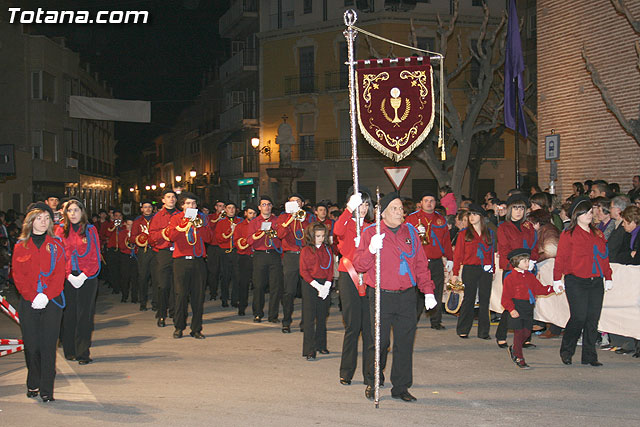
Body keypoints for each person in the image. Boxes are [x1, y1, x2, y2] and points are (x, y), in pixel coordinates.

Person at [354, 192, 436, 403]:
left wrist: (428, 291)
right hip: (381, 294)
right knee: (379, 342)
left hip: (407, 295)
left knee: (405, 342)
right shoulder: (370, 232)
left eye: (401, 208)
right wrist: (372, 249)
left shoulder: (410, 231)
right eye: (395, 208)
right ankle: (374, 381)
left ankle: (401, 386)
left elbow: (420, 263)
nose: (400, 212)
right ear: (382, 213)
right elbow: (359, 265)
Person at [12, 202, 66, 402]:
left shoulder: (56, 244)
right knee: (32, 346)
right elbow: (18, 275)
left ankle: (46, 389)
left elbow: (60, 273)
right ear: (30, 220)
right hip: (29, 301)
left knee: (48, 345)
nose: (43, 222)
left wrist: (47, 295)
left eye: (47, 218)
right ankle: (33, 380)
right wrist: (31, 296)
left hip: (52, 301)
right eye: (39, 218)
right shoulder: (20, 246)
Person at [553, 196, 613, 366]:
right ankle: (567, 350)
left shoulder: (598, 233)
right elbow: (561, 257)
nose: (589, 214)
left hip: (596, 281)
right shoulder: (568, 234)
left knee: (593, 319)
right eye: (585, 212)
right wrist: (557, 278)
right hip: (576, 280)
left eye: (590, 211)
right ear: (576, 214)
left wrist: (608, 276)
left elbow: (603, 257)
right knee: (579, 316)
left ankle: (589, 355)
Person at [334, 189, 374, 386]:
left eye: (367, 205)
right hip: (348, 275)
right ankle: (346, 371)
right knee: (352, 326)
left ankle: (370, 374)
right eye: (361, 204)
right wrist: (349, 208)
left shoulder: (371, 227)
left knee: (369, 328)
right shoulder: (347, 223)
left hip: (367, 277)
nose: (364, 209)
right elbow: (337, 231)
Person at [55, 198, 101, 365]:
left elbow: (94, 256)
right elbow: (59, 256)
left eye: (76, 210)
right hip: (67, 277)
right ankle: (70, 350)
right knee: (69, 315)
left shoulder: (90, 230)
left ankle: (83, 352)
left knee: (85, 316)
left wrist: (84, 275)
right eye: (70, 210)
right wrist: (68, 275)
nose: (73, 214)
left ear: (82, 212)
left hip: (87, 278)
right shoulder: (59, 230)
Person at [165, 192, 213, 339]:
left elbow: (209, 238)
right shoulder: (175, 219)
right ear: (182, 206)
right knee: (180, 295)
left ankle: (196, 328)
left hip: (198, 261)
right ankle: (179, 327)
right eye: (188, 203)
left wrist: (199, 226)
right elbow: (171, 237)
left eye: (193, 204)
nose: (191, 206)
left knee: (198, 297)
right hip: (181, 261)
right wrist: (185, 223)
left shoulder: (202, 219)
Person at [495, 194, 539, 348]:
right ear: (509, 210)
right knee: (512, 303)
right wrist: (518, 264)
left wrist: (532, 260)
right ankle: (501, 333)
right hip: (511, 269)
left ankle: (525, 337)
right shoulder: (503, 227)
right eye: (515, 208)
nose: (518, 211)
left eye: (521, 208)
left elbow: (534, 245)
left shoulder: (529, 227)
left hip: (528, 269)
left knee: (528, 304)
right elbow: (505, 248)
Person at [405, 192, 453, 328]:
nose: (429, 203)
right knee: (417, 293)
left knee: (436, 291)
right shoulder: (412, 219)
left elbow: (446, 241)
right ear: (421, 203)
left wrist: (450, 258)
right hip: (418, 262)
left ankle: (436, 320)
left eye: (432, 200)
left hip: (436, 260)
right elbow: (404, 239)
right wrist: (414, 231)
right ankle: (412, 320)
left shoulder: (441, 220)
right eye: (426, 200)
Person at [501, 248, 553, 369]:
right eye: (524, 261)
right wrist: (511, 309)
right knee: (519, 333)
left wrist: (553, 288)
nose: (527, 263)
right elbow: (505, 298)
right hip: (517, 307)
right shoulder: (510, 277)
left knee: (527, 332)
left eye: (528, 260)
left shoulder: (530, 276)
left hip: (528, 307)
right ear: (515, 262)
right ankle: (519, 357)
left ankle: (514, 348)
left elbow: (539, 289)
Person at [451, 203, 495, 339]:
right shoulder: (464, 233)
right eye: (470, 214)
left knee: (484, 300)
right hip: (470, 268)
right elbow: (458, 255)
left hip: (485, 269)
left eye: (475, 214)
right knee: (468, 299)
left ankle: (483, 332)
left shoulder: (489, 233)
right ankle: (463, 329)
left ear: (481, 217)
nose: (471, 217)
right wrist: (455, 273)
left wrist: (492, 269)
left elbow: (491, 253)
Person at [277, 193, 311, 333]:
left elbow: (311, 235)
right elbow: (280, 234)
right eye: (292, 202)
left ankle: (305, 322)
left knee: (306, 291)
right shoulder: (283, 217)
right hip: (290, 256)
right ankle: (286, 321)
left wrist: (302, 220)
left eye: (298, 201)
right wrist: (290, 219)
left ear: (302, 204)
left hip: (305, 255)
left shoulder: (308, 217)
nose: (295, 204)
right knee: (289, 291)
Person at [299, 222, 334, 360]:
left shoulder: (327, 250)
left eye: (322, 235)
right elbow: (303, 270)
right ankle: (309, 349)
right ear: (311, 236)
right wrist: (316, 286)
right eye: (317, 236)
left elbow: (330, 268)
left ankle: (321, 344)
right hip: (310, 284)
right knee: (309, 317)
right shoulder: (306, 250)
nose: (320, 238)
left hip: (324, 284)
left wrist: (327, 284)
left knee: (322, 315)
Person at [247, 195, 284, 323]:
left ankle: (273, 315)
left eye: (268, 204)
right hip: (260, 255)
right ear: (259, 207)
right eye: (263, 204)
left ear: (271, 206)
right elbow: (249, 240)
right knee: (258, 286)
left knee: (276, 286)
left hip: (274, 254)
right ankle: (257, 313)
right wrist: (259, 234)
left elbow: (282, 236)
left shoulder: (277, 221)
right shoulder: (254, 222)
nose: (266, 207)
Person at [148, 189, 180, 328]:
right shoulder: (158, 216)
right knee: (163, 285)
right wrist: (164, 233)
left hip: (178, 252)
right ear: (163, 200)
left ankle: (175, 312)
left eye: (173, 197)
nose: (171, 199)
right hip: (164, 252)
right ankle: (161, 314)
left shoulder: (181, 214)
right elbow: (152, 236)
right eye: (168, 197)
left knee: (177, 285)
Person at [214, 202, 242, 308]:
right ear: (225, 209)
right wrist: (229, 232)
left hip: (236, 251)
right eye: (229, 208)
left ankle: (235, 299)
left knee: (237, 276)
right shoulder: (221, 223)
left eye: (233, 208)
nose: (231, 210)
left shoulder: (239, 221)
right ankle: (224, 298)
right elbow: (218, 238)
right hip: (225, 252)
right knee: (225, 276)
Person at [131, 201, 155, 311]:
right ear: (142, 209)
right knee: (143, 277)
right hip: (143, 251)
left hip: (155, 250)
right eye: (145, 207)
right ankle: (143, 302)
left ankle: (156, 302)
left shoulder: (156, 219)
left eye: (149, 207)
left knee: (156, 278)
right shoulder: (137, 222)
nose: (148, 209)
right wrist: (140, 239)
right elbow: (132, 238)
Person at [234, 206, 257, 316]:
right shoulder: (240, 226)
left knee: (258, 284)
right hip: (244, 256)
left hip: (256, 256)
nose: (252, 215)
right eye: (250, 213)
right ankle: (242, 306)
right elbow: (236, 241)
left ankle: (256, 309)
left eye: (254, 213)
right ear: (245, 214)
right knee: (243, 283)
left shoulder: (259, 225)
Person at [206, 200, 225, 301]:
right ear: (216, 207)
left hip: (223, 246)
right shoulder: (210, 217)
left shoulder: (227, 218)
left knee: (224, 271)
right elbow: (209, 228)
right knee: (213, 272)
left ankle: (224, 293)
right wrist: (218, 219)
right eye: (219, 206)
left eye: (223, 206)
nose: (221, 208)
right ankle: (213, 292)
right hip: (213, 247)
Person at [117, 216, 138, 303]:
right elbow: (121, 246)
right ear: (125, 224)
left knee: (135, 278)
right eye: (128, 224)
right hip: (125, 256)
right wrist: (128, 241)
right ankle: (124, 296)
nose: (130, 226)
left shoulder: (136, 233)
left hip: (135, 257)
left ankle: (134, 297)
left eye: (132, 225)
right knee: (125, 277)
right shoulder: (122, 233)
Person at [104, 209, 124, 295]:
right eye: (116, 216)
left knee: (121, 270)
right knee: (113, 270)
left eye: (119, 216)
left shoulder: (125, 225)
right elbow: (107, 234)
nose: (118, 218)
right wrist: (114, 226)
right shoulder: (110, 225)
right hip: (112, 250)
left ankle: (122, 286)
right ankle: (115, 287)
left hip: (122, 250)